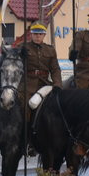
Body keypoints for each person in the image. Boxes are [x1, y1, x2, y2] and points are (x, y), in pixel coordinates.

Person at [20, 22, 62, 155]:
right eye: (35, 34)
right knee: (26, 106)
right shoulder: (23, 47)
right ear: (31, 34)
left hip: (44, 83)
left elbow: (55, 69)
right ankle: (27, 141)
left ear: (44, 35)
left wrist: (57, 84)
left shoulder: (50, 50)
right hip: (27, 83)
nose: (37, 36)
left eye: (40, 34)